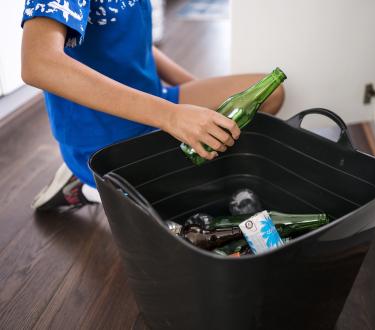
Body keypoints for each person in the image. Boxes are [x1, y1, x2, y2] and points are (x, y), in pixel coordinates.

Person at [21, 0, 285, 211]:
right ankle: (90, 183)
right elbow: (38, 63)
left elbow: (135, 44)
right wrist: (171, 116)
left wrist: (203, 103)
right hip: (106, 139)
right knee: (194, 218)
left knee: (271, 92)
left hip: (153, 107)